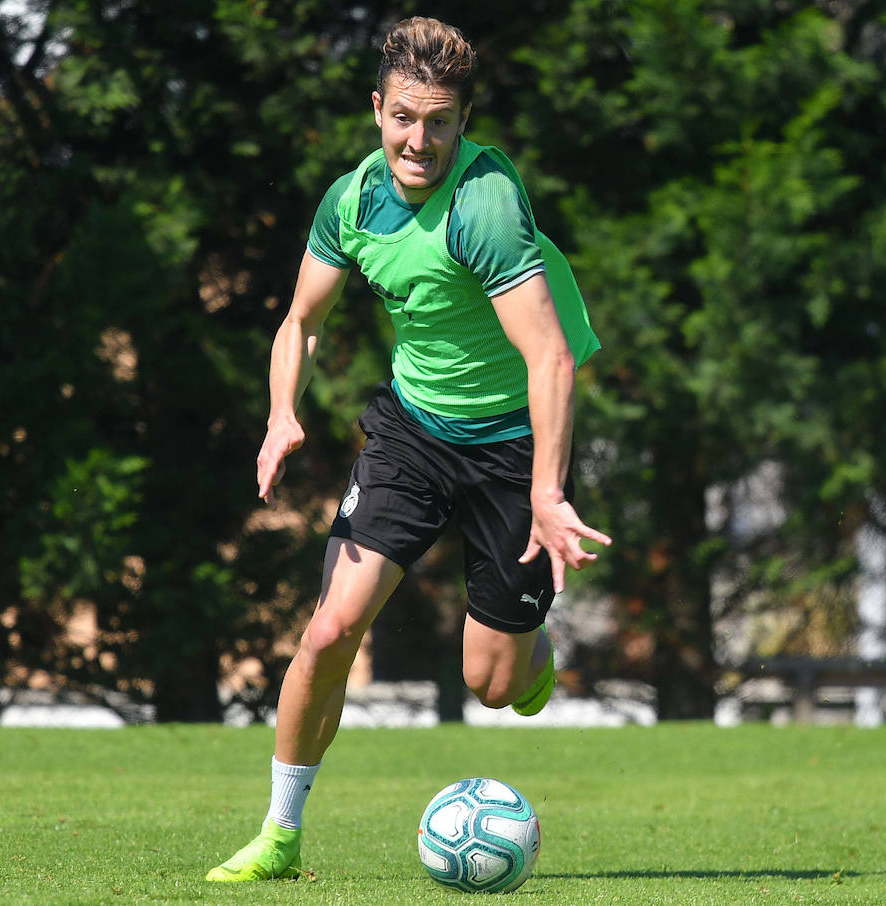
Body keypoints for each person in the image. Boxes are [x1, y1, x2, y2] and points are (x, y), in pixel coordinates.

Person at [207, 16, 610, 882]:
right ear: (377, 108)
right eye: (403, 119)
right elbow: (302, 322)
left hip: (512, 441)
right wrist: (282, 412)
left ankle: (532, 650)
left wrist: (546, 490)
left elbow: (549, 356)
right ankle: (279, 835)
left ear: (465, 122)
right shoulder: (351, 200)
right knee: (329, 629)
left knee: (494, 688)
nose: (417, 141)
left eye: (439, 122)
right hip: (415, 430)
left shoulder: (485, 206)